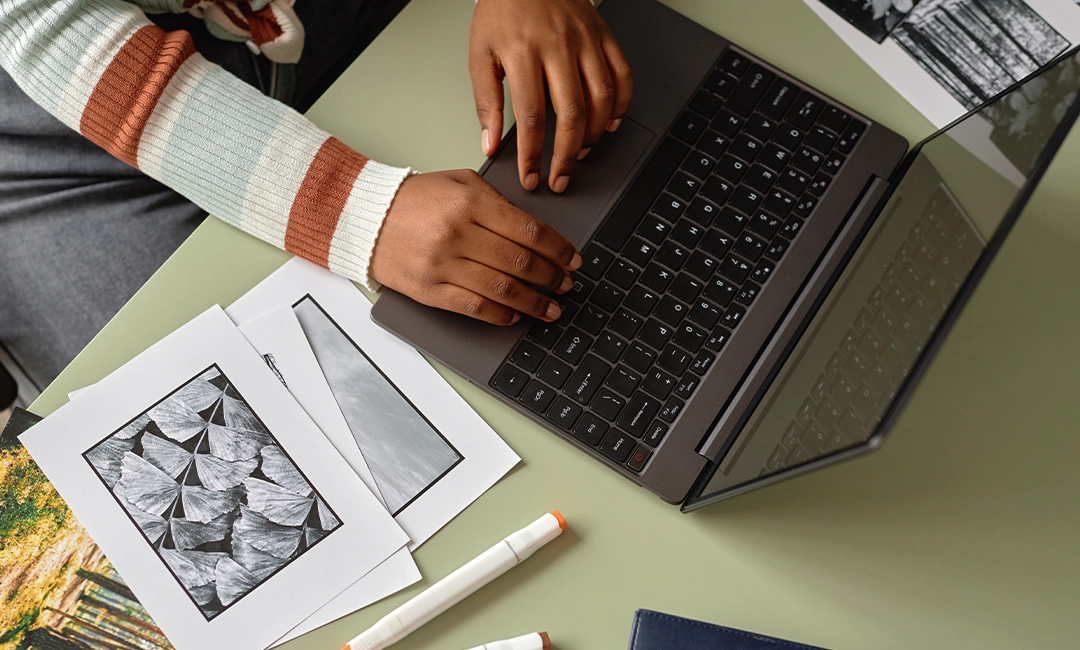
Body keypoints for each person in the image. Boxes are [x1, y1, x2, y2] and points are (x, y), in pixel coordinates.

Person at [0, 0, 633, 391]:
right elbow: (46, 25)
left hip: (320, 19)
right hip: (61, 126)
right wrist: (359, 214)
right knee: (205, 382)